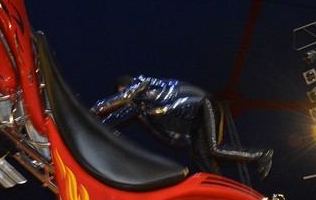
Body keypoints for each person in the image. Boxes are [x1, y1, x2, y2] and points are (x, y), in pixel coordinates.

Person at [90, 75, 273, 179]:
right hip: (194, 119)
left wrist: (96, 109)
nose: (126, 98)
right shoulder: (139, 104)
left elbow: (123, 98)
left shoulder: (141, 83)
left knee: (213, 148)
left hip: (203, 104)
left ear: (129, 86)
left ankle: (261, 154)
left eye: (124, 91)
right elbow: (118, 115)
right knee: (199, 156)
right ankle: (217, 184)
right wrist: (96, 124)